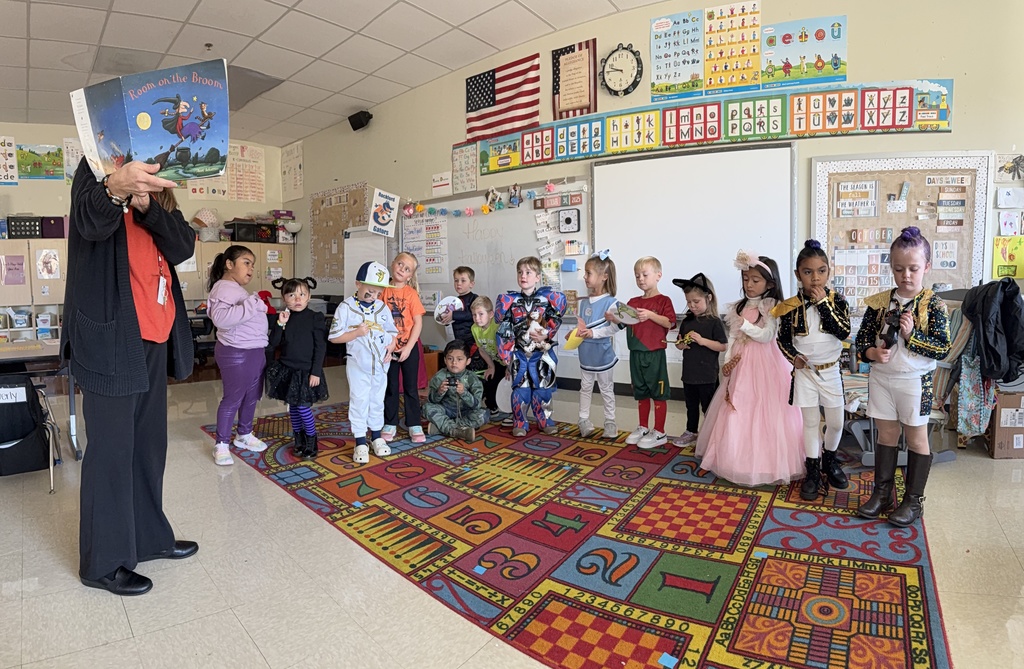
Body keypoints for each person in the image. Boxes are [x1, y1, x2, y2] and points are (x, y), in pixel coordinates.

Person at [64, 158, 197, 596]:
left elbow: (182, 247)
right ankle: (102, 562)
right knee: (112, 452)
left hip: (154, 336)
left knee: (148, 445)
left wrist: (148, 206)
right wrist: (115, 189)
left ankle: (148, 539)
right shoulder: (94, 168)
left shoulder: (159, 184)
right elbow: (89, 222)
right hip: (109, 339)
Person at [856, 227, 950, 526]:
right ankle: (883, 494)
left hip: (914, 380)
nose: (905, 275)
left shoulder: (934, 304)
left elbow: (942, 348)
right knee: (885, 434)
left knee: (916, 438)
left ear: (926, 267)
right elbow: (861, 341)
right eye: (898, 269)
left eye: (913, 268)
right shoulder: (879, 302)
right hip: (882, 379)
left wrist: (911, 336)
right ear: (891, 268)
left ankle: (914, 501)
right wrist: (871, 354)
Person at [696, 251, 804, 486]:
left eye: (755, 280)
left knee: (766, 409)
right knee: (738, 406)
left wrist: (745, 324)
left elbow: (766, 336)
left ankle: (767, 463)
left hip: (767, 364)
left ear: (770, 283)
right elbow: (733, 337)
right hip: (741, 363)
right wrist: (726, 362)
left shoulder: (773, 306)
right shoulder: (739, 306)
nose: (749, 285)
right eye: (746, 279)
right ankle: (734, 460)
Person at [774, 240, 851, 500]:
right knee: (810, 423)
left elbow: (842, 331)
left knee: (836, 422)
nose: (815, 278)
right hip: (806, 373)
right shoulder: (789, 307)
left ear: (829, 272)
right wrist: (793, 357)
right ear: (798, 275)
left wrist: (822, 305)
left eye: (821, 271)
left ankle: (829, 459)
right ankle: (813, 470)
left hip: (831, 372)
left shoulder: (838, 301)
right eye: (808, 272)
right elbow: (782, 340)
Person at [206, 244, 269, 467]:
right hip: (237, 352)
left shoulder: (236, 289)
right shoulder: (223, 287)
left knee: (252, 396)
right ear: (229, 264)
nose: (251, 269)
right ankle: (221, 444)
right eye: (246, 262)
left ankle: (244, 434)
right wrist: (253, 304)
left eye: (252, 264)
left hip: (254, 350)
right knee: (233, 398)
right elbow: (221, 319)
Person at [328, 261, 397, 464]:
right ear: (358, 284)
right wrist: (356, 333)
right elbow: (334, 337)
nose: (374, 296)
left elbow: (392, 332)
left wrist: (391, 347)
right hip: (358, 364)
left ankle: (376, 437)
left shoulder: (382, 307)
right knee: (359, 401)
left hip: (381, 365)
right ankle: (360, 441)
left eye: (378, 292)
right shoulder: (346, 307)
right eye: (370, 291)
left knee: (377, 400)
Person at [607, 256, 676, 449]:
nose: (641, 279)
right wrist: (612, 318)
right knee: (640, 390)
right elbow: (622, 323)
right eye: (637, 276)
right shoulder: (633, 301)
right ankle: (643, 427)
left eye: (645, 275)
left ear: (658, 275)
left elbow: (669, 322)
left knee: (658, 392)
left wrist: (651, 315)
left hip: (654, 354)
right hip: (636, 353)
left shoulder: (664, 301)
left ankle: (660, 431)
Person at [495, 256, 567, 437]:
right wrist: (505, 353)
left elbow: (555, 320)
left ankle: (545, 420)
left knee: (543, 388)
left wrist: (547, 334)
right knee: (521, 388)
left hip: (541, 352)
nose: (523, 276)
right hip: (519, 353)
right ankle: (520, 421)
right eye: (520, 272)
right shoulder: (510, 301)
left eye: (528, 272)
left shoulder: (548, 299)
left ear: (537, 276)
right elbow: (504, 327)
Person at [266, 277, 329, 458]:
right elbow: (273, 343)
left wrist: (316, 371)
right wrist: (280, 324)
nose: (297, 299)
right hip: (288, 370)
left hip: (307, 371)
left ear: (309, 297)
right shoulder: (283, 318)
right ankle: (299, 440)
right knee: (293, 407)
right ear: (284, 298)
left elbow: (320, 347)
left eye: (302, 294)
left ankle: (311, 440)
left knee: (303, 407)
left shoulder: (315, 318)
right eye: (292, 295)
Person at [570, 252, 623, 439]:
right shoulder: (583, 302)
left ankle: (610, 421)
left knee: (606, 388)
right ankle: (583, 420)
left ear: (604, 277)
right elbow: (582, 326)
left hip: (603, 355)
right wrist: (574, 335)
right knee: (585, 387)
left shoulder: (611, 302)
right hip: (586, 354)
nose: (585, 277)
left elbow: (614, 329)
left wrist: (594, 333)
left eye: (588, 273)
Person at [671, 273, 727, 447]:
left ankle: (712, 434)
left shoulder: (714, 322)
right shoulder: (687, 320)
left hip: (707, 375)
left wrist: (702, 341)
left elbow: (722, 346)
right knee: (691, 405)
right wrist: (680, 345)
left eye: (696, 302)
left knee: (708, 407)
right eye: (689, 302)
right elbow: (679, 342)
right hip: (689, 373)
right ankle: (691, 431)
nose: (692, 306)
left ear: (708, 298)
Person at [381, 252, 427, 443]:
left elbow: (418, 323)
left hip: (409, 348)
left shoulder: (411, 294)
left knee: (410, 388)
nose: (402, 269)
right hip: (388, 349)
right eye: (400, 264)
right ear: (392, 264)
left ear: (410, 275)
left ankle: (414, 423)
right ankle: (389, 423)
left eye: (407, 269)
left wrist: (408, 347)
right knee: (390, 387)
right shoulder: (382, 290)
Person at [424, 339, 487, 441]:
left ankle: (442, 427)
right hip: (446, 409)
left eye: (459, 359)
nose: (454, 363)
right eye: (450, 359)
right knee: (427, 408)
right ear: (445, 360)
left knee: (483, 415)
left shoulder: (472, 378)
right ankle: (457, 430)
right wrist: (440, 392)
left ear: (468, 361)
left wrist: (464, 393)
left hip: (465, 411)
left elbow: (477, 404)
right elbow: (432, 400)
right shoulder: (440, 376)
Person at [470, 295, 510, 422]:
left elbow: (510, 347)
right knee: (489, 381)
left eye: (481, 314)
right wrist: (491, 366)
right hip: (495, 361)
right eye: (474, 315)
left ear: (491, 314)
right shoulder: (474, 329)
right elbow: (481, 349)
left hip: (510, 361)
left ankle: (514, 410)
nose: (477, 318)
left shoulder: (498, 327)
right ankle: (492, 408)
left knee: (510, 384)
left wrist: (509, 367)